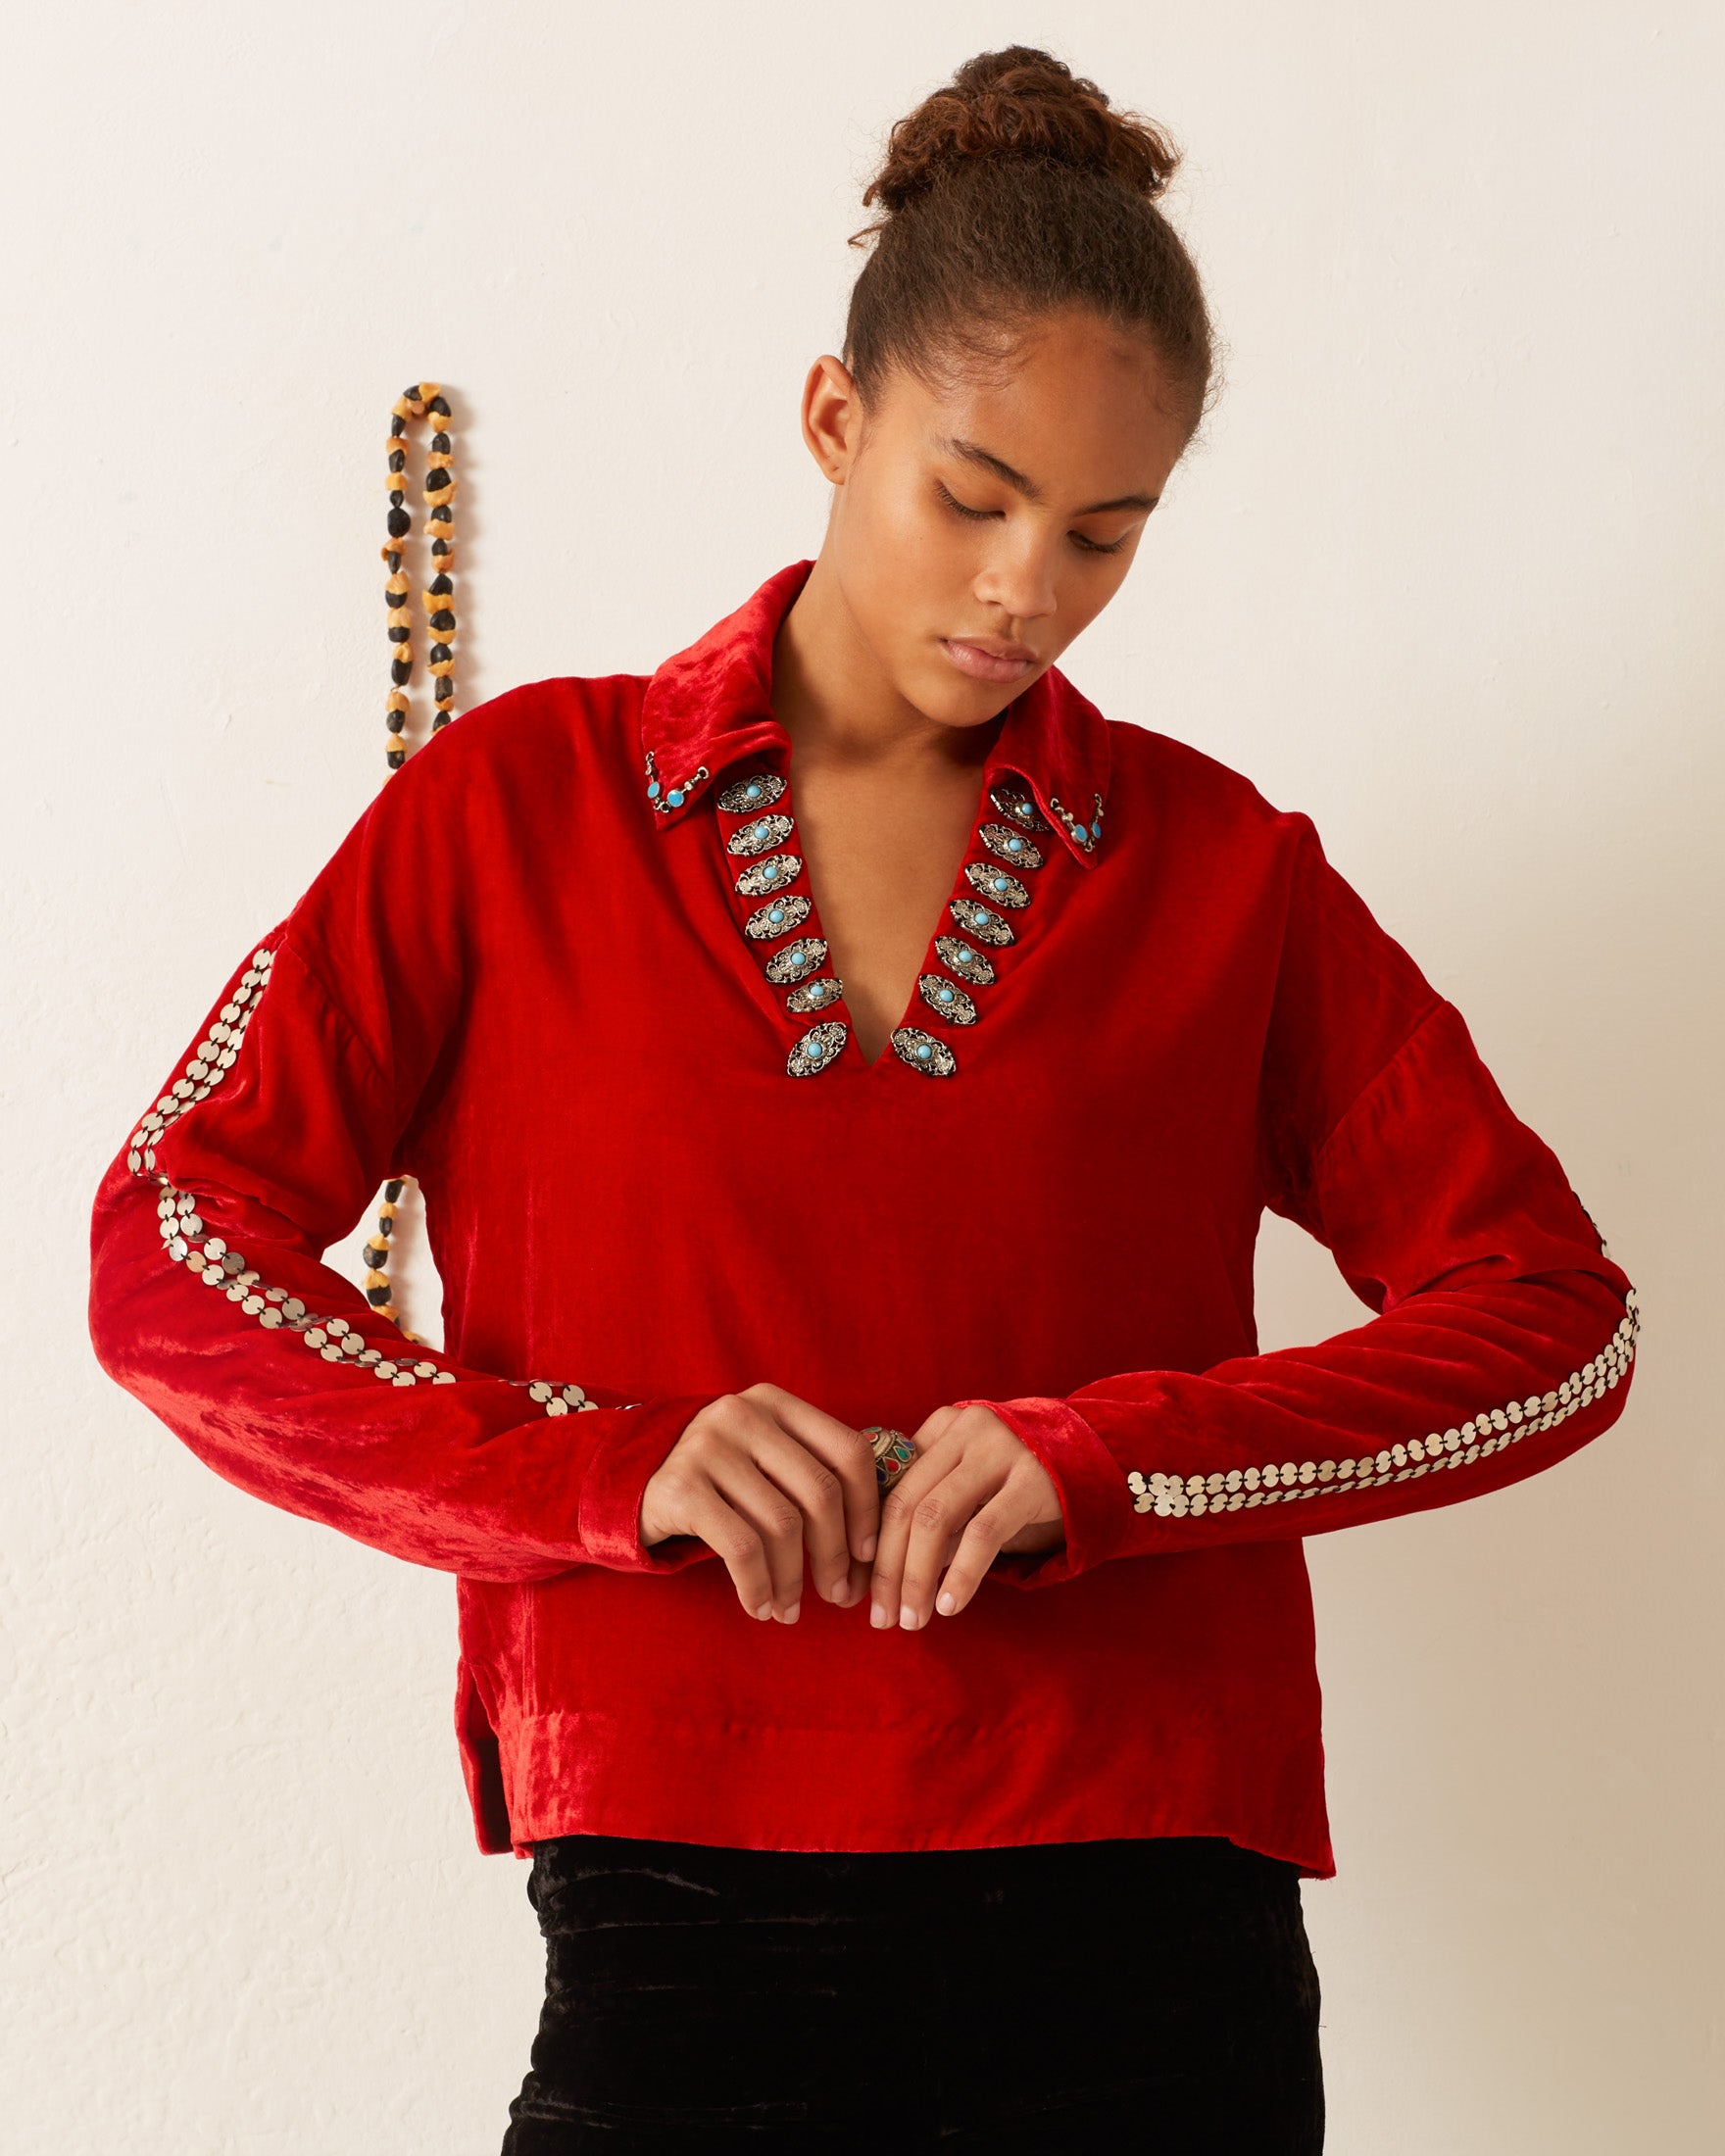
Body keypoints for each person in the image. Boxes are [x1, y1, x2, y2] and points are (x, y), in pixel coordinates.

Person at [86, 45, 1639, 2156]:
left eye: (1106, 532)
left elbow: (1554, 1315)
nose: (1029, 590)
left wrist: (1121, 1453)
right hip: (677, 1904)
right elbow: (173, 1246)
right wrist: (594, 1470)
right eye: (973, 496)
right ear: (836, 419)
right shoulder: (511, 811)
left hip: (1150, 1906)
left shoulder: (1223, 871)